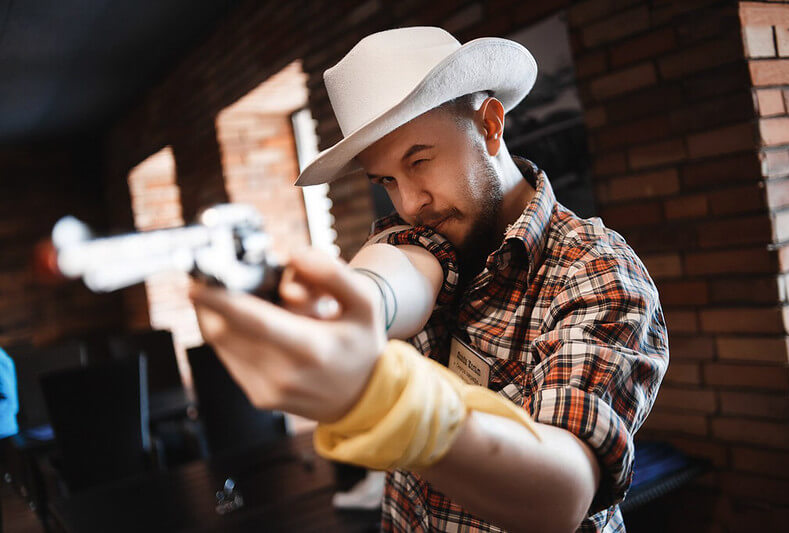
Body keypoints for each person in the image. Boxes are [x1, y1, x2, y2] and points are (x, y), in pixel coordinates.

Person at [190, 27, 668, 532]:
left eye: (419, 161)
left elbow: (562, 497)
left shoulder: (594, 269)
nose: (410, 202)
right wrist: (343, 311)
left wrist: (378, 396)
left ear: (489, 126)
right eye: (386, 181)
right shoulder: (425, 233)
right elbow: (398, 278)